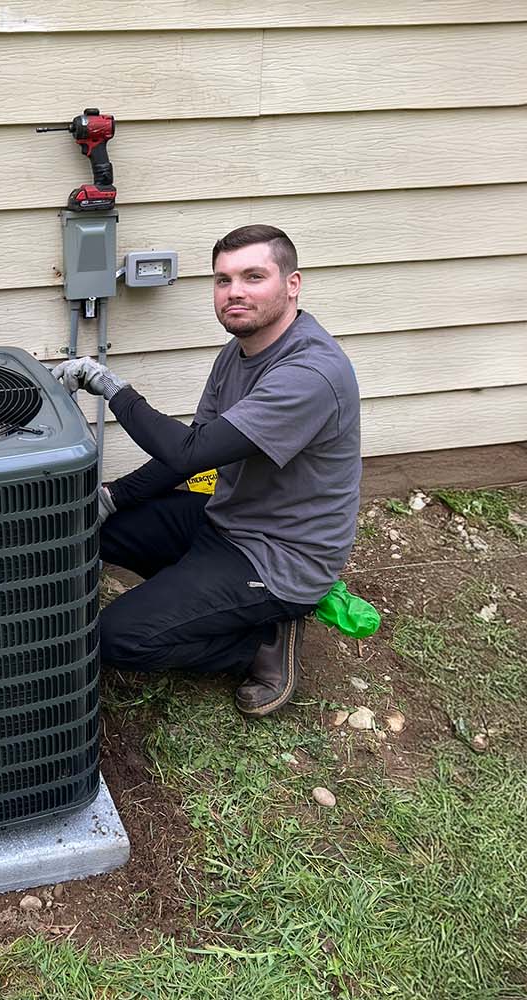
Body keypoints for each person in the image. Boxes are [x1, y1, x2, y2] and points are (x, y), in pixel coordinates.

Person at [50, 225, 361, 716]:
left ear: (292, 284)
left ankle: (259, 644)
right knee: (84, 529)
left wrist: (109, 385)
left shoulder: (309, 374)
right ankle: (202, 599)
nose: (234, 291)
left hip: (279, 558)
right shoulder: (238, 353)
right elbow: (193, 451)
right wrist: (111, 499)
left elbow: (189, 453)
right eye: (223, 280)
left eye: (253, 276)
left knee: (115, 639)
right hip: (226, 518)